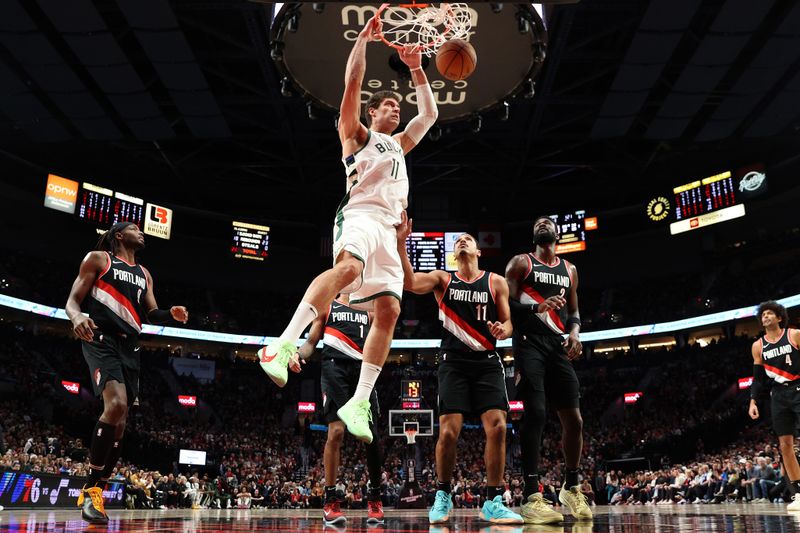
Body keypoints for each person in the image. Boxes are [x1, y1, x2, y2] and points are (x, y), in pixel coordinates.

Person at [258, 14, 438, 443]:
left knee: (390, 310)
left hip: (390, 230)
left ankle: (359, 400)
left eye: (399, 106)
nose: (397, 108)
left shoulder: (400, 145)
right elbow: (352, 84)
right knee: (347, 271)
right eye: (389, 105)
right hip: (358, 215)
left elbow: (429, 113)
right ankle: (281, 344)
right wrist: (362, 39)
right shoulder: (356, 135)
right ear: (373, 113)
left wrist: (415, 67)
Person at [396, 217, 522, 525]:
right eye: (458, 241)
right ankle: (443, 494)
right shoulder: (443, 279)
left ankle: (493, 500)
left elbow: (508, 323)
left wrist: (502, 330)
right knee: (449, 431)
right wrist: (401, 242)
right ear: (455, 254)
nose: (462, 241)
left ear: (479, 251)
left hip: (487, 360)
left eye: (468, 239)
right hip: (453, 361)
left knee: (498, 427)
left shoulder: (495, 282)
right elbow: (410, 283)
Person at [65, 221, 188, 523]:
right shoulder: (99, 259)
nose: (141, 232)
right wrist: (76, 316)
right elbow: (72, 301)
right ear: (119, 235)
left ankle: (98, 492)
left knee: (121, 425)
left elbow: (151, 312)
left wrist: (169, 314)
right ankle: (91, 488)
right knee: (116, 404)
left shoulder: (145, 274)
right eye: (135, 228)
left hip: (131, 347)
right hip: (100, 338)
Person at [504, 216, 591, 523]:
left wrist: (576, 333)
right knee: (537, 413)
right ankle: (531, 496)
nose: (542, 223)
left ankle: (571, 485)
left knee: (574, 419)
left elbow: (575, 310)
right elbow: (505, 305)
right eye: (537, 222)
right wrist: (535, 308)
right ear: (534, 234)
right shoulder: (520, 263)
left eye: (547, 221)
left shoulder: (570, 270)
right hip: (528, 343)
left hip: (558, 344)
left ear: (556, 233)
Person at [289, 293, 385, 525]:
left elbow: (381, 339)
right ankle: (330, 500)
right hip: (334, 368)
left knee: (370, 436)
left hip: (363, 370)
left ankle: (375, 497)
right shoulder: (327, 305)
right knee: (337, 432)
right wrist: (296, 355)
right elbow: (311, 342)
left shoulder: (370, 308)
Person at [749, 299, 800, 511]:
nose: (765, 317)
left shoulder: (794, 334)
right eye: (762, 315)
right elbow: (758, 377)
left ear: (779, 317)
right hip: (777, 395)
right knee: (785, 445)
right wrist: (753, 400)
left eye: (769, 313)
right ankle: (798, 493)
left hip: (798, 387)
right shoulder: (758, 346)